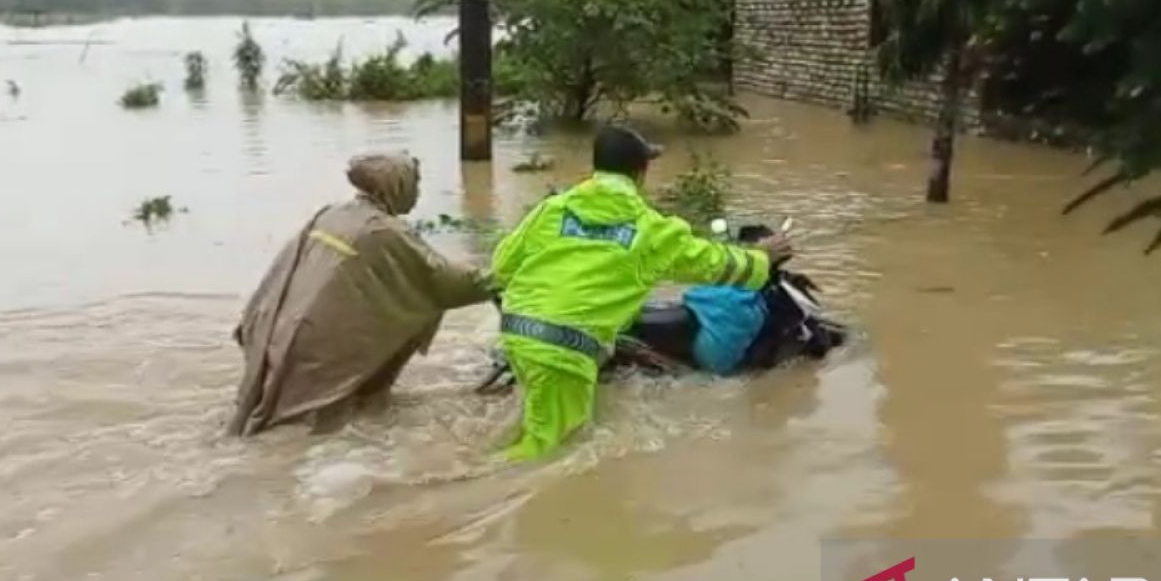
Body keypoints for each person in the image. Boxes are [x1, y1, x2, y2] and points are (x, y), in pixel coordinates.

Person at [492, 124, 796, 460]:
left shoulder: (552, 210)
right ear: (642, 172)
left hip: (517, 331)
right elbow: (714, 263)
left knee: (539, 424)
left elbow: (502, 265)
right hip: (563, 345)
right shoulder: (650, 230)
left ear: (595, 167)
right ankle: (471, 496)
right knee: (548, 454)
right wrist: (762, 258)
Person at [229, 152, 492, 436]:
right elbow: (439, 280)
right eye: (415, 182)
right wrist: (499, 277)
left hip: (280, 324)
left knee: (272, 417)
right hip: (316, 338)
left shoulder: (333, 213)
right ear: (397, 184)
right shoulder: (383, 231)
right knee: (306, 430)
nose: (417, 192)